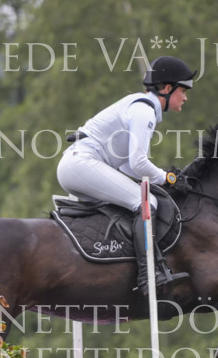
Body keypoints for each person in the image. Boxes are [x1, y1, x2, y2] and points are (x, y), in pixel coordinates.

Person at [57, 56, 196, 295]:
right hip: (81, 164)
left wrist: (164, 179)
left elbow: (127, 168)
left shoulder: (141, 107)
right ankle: (148, 274)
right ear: (166, 88)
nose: (185, 97)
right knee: (146, 202)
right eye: (182, 91)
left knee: (137, 200)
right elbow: (139, 163)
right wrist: (168, 178)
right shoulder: (144, 111)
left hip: (78, 165)